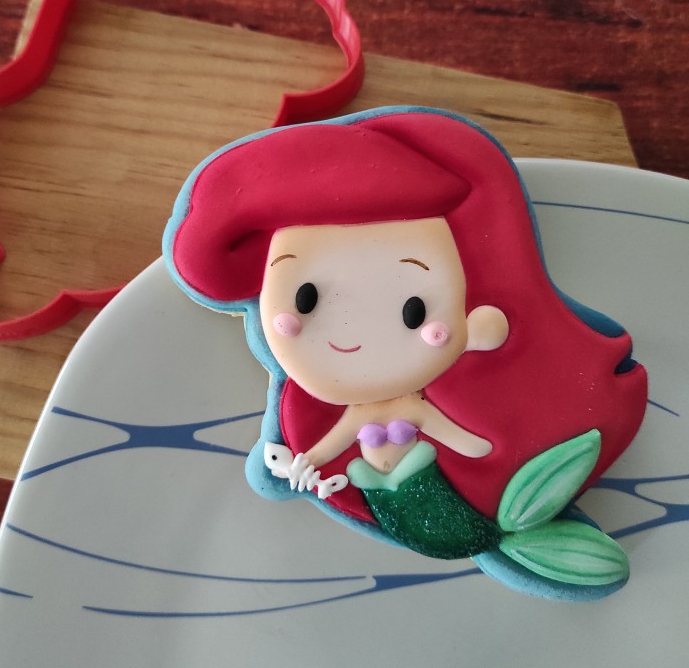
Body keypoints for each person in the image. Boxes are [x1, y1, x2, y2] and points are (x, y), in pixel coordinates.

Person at [165, 106, 647, 595]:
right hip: (390, 489)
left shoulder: (455, 381)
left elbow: (452, 435)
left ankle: (540, 545)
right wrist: (293, 465)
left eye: (414, 310)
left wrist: (475, 446)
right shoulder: (332, 409)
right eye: (306, 300)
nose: (352, 335)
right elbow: (322, 448)